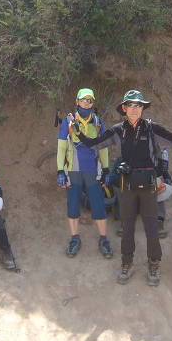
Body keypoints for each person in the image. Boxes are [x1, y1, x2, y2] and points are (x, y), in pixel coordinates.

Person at [74, 89, 172, 286]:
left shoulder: (151, 128)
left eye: (138, 105)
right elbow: (94, 144)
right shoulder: (117, 130)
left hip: (149, 186)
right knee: (128, 227)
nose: (135, 109)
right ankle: (127, 263)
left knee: (151, 228)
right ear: (124, 108)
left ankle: (154, 264)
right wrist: (78, 132)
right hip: (127, 186)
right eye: (131, 105)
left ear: (142, 108)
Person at [57, 88, 113, 259]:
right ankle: (75, 238)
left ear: (93, 103)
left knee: (98, 205)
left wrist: (106, 169)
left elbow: (103, 147)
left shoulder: (98, 122)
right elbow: (61, 147)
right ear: (77, 101)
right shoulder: (68, 122)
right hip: (73, 171)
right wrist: (60, 170)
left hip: (93, 172)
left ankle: (103, 239)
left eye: (90, 100)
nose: (86, 103)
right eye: (83, 100)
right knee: (73, 205)